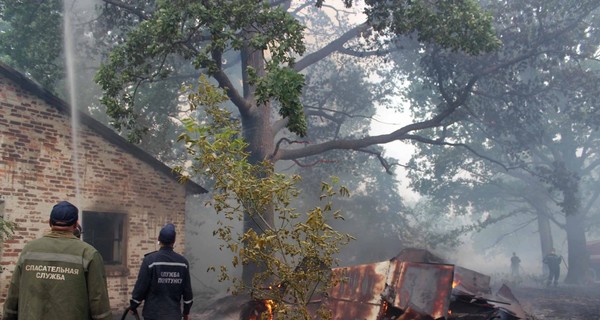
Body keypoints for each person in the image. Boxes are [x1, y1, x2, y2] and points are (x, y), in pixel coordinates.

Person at [3, 201, 112, 320]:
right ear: (76, 225)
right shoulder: (89, 254)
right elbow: (99, 303)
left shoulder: (29, 250)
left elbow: (13, 294)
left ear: (49, 222)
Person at [129, 223, 194, 320]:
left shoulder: (150, 261)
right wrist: (186, 313)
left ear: (159, 239)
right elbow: (188, 294)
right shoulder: (183, 263)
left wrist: (133, 305)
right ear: (174, 241)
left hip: (152, 315)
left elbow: (141, 288)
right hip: (173, 315)